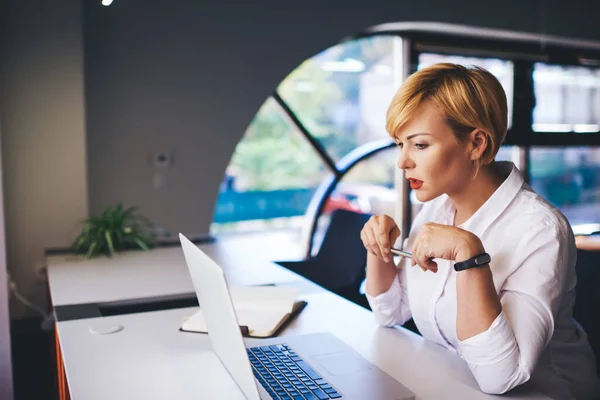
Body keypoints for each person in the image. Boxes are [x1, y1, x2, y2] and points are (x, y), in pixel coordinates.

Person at [361, 63, 600, 399]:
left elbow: (500, 377)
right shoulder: (435, 208)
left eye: (420, 145)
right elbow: (389, 313)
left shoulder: (541, 229)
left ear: (475, 143)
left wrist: (471, 258)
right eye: (400, 144)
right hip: (453, 385)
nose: (402, 162)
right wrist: (378, 249)